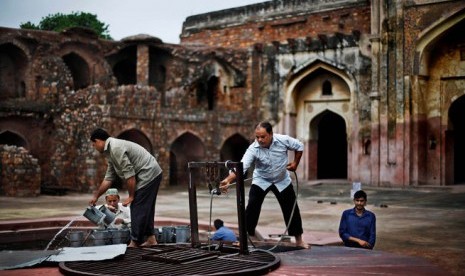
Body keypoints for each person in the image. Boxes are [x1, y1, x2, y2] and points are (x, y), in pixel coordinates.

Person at [220, 121, 309, 249]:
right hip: (261, 180)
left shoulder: (283, 140)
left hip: (282, 180)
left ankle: (299, 240)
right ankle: (244, 239)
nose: (260, 140)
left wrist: (295, 163)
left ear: (271, 134)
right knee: (252, 207)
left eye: (263, 137)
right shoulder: (253, 149)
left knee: (291, 208)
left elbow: (299, 146)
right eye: (257, 137)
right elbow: (241, 167)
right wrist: (228, 180)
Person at [89, 128, 163, 248]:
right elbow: (108, 178)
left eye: (94, 144)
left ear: (98, 141)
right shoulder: (110, 152)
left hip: (149, 173)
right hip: (150, 173)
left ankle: (135, 241)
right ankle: (150, 238)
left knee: (137, 206)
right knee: (145, 208)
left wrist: (131, 196)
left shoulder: (115, 148)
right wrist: (96, 197)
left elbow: (130, 175)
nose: (94, 147)